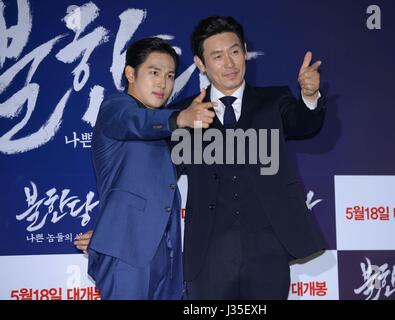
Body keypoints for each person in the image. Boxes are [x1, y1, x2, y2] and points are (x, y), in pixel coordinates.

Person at [77, 15, 326, 300]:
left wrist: (310, 95)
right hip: (207, 255)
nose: (229, 63)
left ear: (245, 51)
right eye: (217, 56)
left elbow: (305, 124)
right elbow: (143, 169)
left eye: (234, 52)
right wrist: (112, 227)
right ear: (200, 63)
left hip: (267, 250)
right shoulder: (182, 114)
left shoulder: (274, 101)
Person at [84, 36, 215, 300]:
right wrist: (182, 117)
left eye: (169, 76)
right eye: (154, 72)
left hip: (167, 252)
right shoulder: (116, 107)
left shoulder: (171, 129)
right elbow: (137, 121)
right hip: (126, 249)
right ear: (130, 73)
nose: (163, 83)